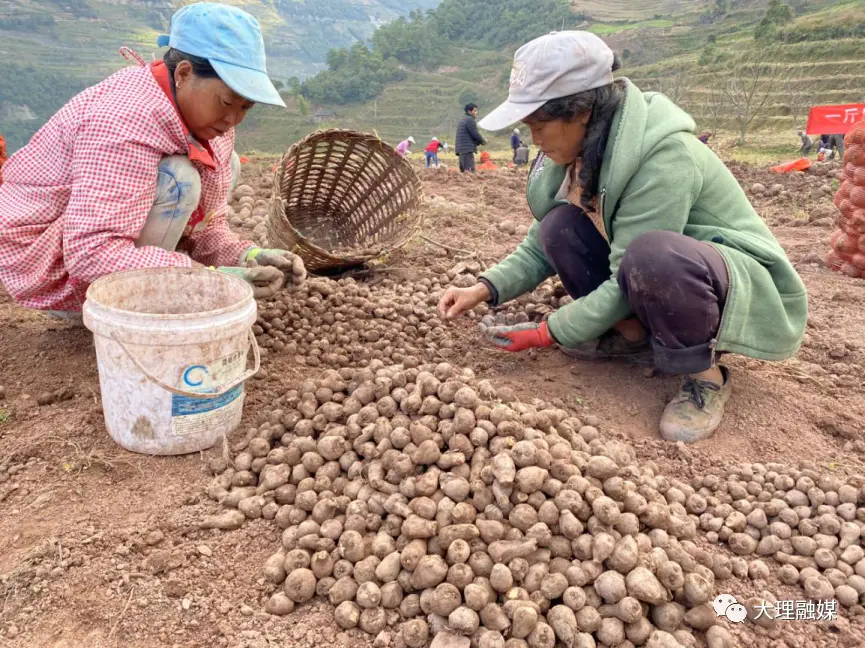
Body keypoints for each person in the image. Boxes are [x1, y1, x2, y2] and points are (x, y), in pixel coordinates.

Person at [437, 31, 806, 443]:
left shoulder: (662, 156)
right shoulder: (582, 150)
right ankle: (633, 338)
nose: (534, 140)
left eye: (539, 125)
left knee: (654, 255)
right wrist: (485, 288)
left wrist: (549, 331)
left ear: (580, 112)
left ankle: (705, 376)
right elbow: (543, 241)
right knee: (558, 225)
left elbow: (627, 273)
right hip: (656, 275)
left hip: (732, 283)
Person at [0, 3, 305, 320]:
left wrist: (249, 256)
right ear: (184, 74)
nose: (233, 119)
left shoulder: (211, 126)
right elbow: (90, 255)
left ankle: (158, 284)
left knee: (223, 162)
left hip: (96, 247)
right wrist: (206, 280)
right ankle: (129, 309)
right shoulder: (124, 121)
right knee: (179, 180)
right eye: (227, 101)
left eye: (245, 107)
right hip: (50, 266)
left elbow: (204, 231)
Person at [455, 103, 485, 173]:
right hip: (466, 150)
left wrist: (478, 142)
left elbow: (470, 136)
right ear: (469, 111)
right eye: (474, 111)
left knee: (464, 173)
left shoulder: (463, 119)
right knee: (470, 172)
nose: (476, 113)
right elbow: (475, 134)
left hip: (462, 150)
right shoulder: (470, 120)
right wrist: (483, 141)